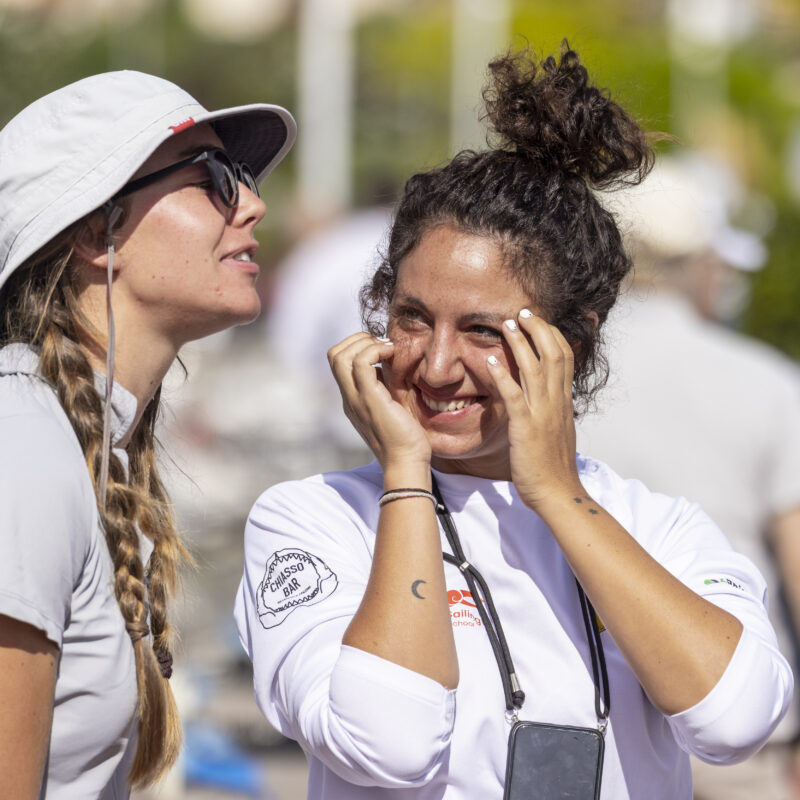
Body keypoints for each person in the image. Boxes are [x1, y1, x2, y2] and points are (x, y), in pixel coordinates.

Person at [235, 45, 791, 799]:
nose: (437, 366)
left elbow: (735, 723)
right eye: (413, 318)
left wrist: (556, 494)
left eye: (482, 331)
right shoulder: (312, 520)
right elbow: (388, 745)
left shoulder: (656, 526)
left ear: (573, 343)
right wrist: (406, 477)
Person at [0, 71, 295, 798]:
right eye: (213, 177)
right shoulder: (24, 447)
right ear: (96, 235)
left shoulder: (80, 440)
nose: (253, 203)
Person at [576, 155, 800, 800]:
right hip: (742, 725)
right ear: (699, 265)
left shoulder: (551, 378)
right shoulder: (767, 381)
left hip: (591, 726)